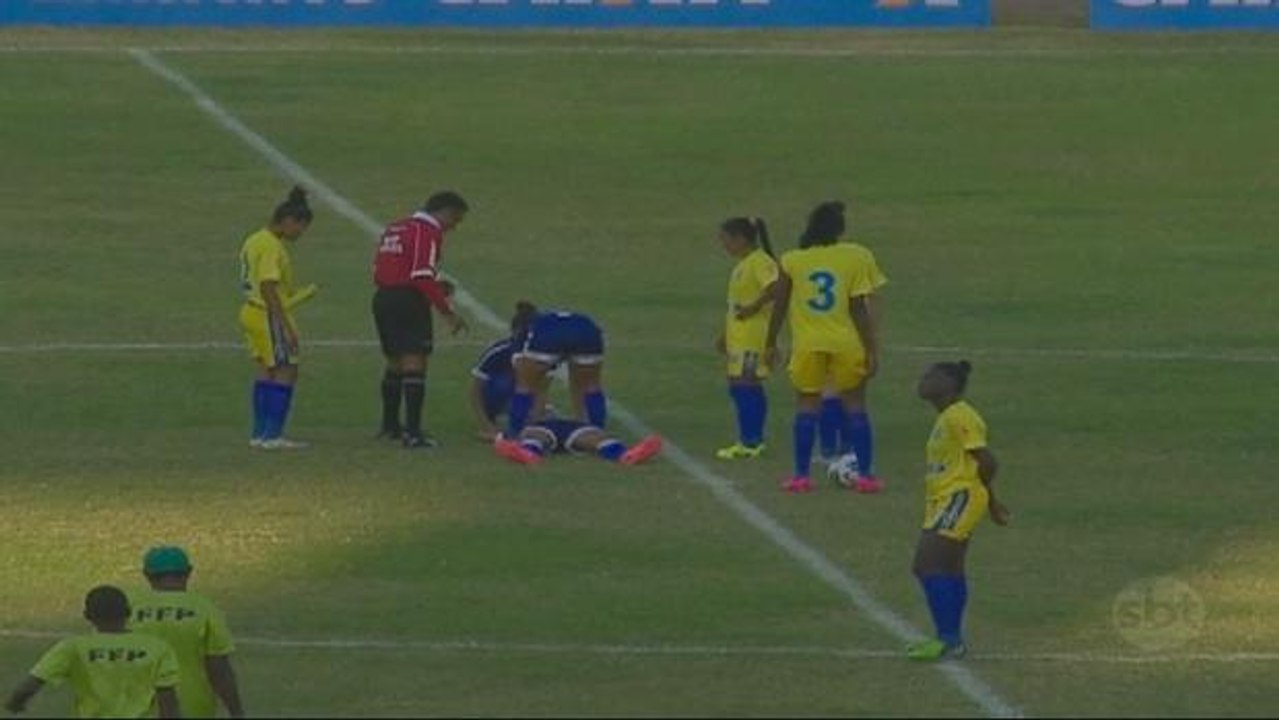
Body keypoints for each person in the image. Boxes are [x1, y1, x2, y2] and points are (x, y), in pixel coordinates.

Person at [764, 201, 887, 494]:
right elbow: (859, 307)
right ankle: (866, 476)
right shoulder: (856, 256)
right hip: (846, 342)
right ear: (840, 230)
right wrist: (871, 348)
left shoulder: (792, 260)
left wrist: (769, 342)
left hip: (808, 343)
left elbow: (779, 304)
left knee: (807, 406)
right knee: (856, 406)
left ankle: (801, 476)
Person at [908, 360, 1010, 662]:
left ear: (949, 385)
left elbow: (987, 461)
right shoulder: (947, 417)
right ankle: (952, 639)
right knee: (950, 568)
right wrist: (990, 502)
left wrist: (986, 499)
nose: (923, 380)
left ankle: (949, 639)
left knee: (926, 565)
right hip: (948, 498)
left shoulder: (959, 415)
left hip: (958, 498)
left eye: (931, 375)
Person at [372, 191, 470, 449]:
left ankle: (390, 426)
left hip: (383, 298)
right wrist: (447, 312)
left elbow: (386, 268)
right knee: (415, 361)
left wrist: (436, 287)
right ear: (445, 212)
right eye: (455, 220)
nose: (454, 227)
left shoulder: (396, 227)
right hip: (408, 301)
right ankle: (413, 433)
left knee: (394, 361)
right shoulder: (426, 231)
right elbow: (421, 275)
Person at [5, 586, 180, 719]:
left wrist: (15, 702)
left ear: (87, 615)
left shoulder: (73, 647)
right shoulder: (156, 647)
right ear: (128, 612)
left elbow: (32, 683)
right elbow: (168, 699)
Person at [239, 186, 316, 450]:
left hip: (250, 311)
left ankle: (259, 433)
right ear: (288, 221)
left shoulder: (254, 239)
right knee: (287, 370)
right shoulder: (272, 247)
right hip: (267, 314)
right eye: (300, 227)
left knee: (265, 369)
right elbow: (268, 285)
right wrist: (285, 325)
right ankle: (272, 436)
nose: (300, 234)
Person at [130, 546, 244, 718]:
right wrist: (236, 711)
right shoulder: (205, 609)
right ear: (189, 572)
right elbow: (219, 669)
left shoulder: (127, 608)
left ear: (146, 574)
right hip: (194, 708)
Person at [492, 307, 608, 462]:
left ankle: (516, 436)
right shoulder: (563, 319)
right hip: (588, 331)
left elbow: (526, 381)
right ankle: (597, 432)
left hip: (549, 336)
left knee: (524, 386)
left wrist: (528, 416)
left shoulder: (524, 333)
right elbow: (576, 384)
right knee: (592, 386)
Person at [714, 216, 779, 461]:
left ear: (740, 239)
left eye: (726, 240)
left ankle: (751, 441)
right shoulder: (744, 264)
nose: (724, 245)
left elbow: (776, 287)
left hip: (752, 339)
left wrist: (754, 307)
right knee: (740, 385)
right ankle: (751, 439)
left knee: (746, 385)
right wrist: (725, 335)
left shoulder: (759, 262)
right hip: (740, 338)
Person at [468, 302, 545, 442]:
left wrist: (536, 419)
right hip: (499, 395)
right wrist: (487, 425)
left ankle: (522, 419)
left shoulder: (538, 354)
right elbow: (475, 390)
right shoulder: (498, 352)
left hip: (521, 396)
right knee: (502, 384)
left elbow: (540, 389)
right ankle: (500, 417)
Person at [497, 417, 663, 467]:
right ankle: (528, 453)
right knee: (535, 435)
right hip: (543, 425)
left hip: (568, 425)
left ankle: (626, 455)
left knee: (594, 437)